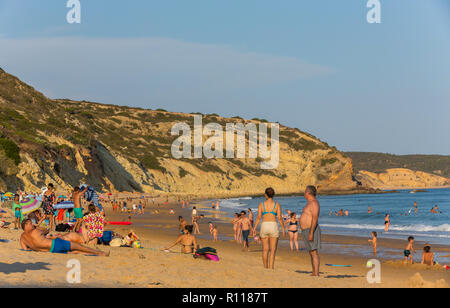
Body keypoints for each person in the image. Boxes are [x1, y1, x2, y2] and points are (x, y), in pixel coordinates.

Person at [20, 219, 108, 256]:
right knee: (79, 247)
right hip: (56, 244)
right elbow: (47, 230)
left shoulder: (22, 238)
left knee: (76, 252)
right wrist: (37, 227)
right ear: (26, 225)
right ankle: (98, 253)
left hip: (51, 251)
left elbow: (25, 249)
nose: (33, 224)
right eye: (31, 223)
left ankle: (94, 254)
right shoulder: (35, 231)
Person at [253, 187, 285, 269]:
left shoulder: (261, 204)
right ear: (273, 195)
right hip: (273, 225)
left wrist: (254, 228)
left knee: (265, 249)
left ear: (266, 195)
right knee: (273, 250)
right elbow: (280, 218)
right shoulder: (277, 205)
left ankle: (265, 267)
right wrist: (283, 228)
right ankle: (271, 267)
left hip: (264, 225)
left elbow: (258, 217)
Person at [299, 185, 321, 277]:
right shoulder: (309, 203)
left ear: (308, 192)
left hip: (311, 230)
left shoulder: (314, 203)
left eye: (305, 191)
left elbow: (315, 218)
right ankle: (314, 272)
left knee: (314, 252)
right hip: (306, 230)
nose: (304, 193)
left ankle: (316, 273)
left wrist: (311, 232)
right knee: (311, 252)